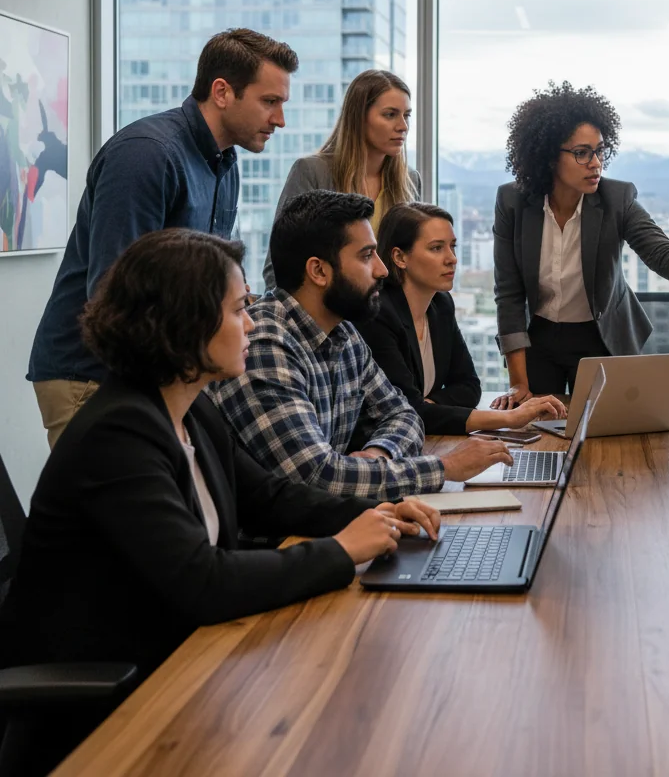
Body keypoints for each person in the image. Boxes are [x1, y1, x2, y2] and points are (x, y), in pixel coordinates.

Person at [0, 229, 439, 774]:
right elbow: (201, 581)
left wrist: (370, 514)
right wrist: (342, 551)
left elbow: (269, 496)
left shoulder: (191, 408)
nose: (252, 324)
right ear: (185, 323)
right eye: (239, 311)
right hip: (113, 713)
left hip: (189, 667)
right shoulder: (118, 435)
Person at [27, 28, 298, 448]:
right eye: (270, 102)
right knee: (123, 512)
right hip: (94, 376)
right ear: (222, 92)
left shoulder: (225, 163)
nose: (280, 119)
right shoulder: (146, 154)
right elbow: (111, 293)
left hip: (162, 373)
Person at [213, 190, 513, 498]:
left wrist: (379, 454)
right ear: (319, 271)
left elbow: (404, 415)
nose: (382, 270)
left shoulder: (343, 332)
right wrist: (445, 467)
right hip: (281, 540)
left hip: (333, 523)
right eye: (366, 255)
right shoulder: (266, 346)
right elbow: (316, 477)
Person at [491, 81, 669, 407]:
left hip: (601, 338)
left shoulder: (616, 198)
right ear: (547, 156)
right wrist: (518, 383)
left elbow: (659, 250)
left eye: (600, 150)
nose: (595, 162)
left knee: (608, 437)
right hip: (539, 339)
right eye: (581, 153)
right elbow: (509, 294)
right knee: (538, 431)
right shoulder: (512, 202)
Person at [357, 202, 568, 434]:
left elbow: (469, 387)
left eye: (453, 246)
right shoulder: (378, 314)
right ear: (399, 257)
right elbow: (403, 411)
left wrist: (429, 405)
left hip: (426, 440)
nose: (452, 259)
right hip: (377, 451)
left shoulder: (441, 304)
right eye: (437, 248)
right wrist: (509, 418)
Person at [263, 69, 420, 288]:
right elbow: (278, 266)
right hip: (326, 316)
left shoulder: (410, 181)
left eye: (407, 115)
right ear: (359, 118)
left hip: (389, 317)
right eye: (390, 114)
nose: (403, 126)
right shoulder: (312, 172)